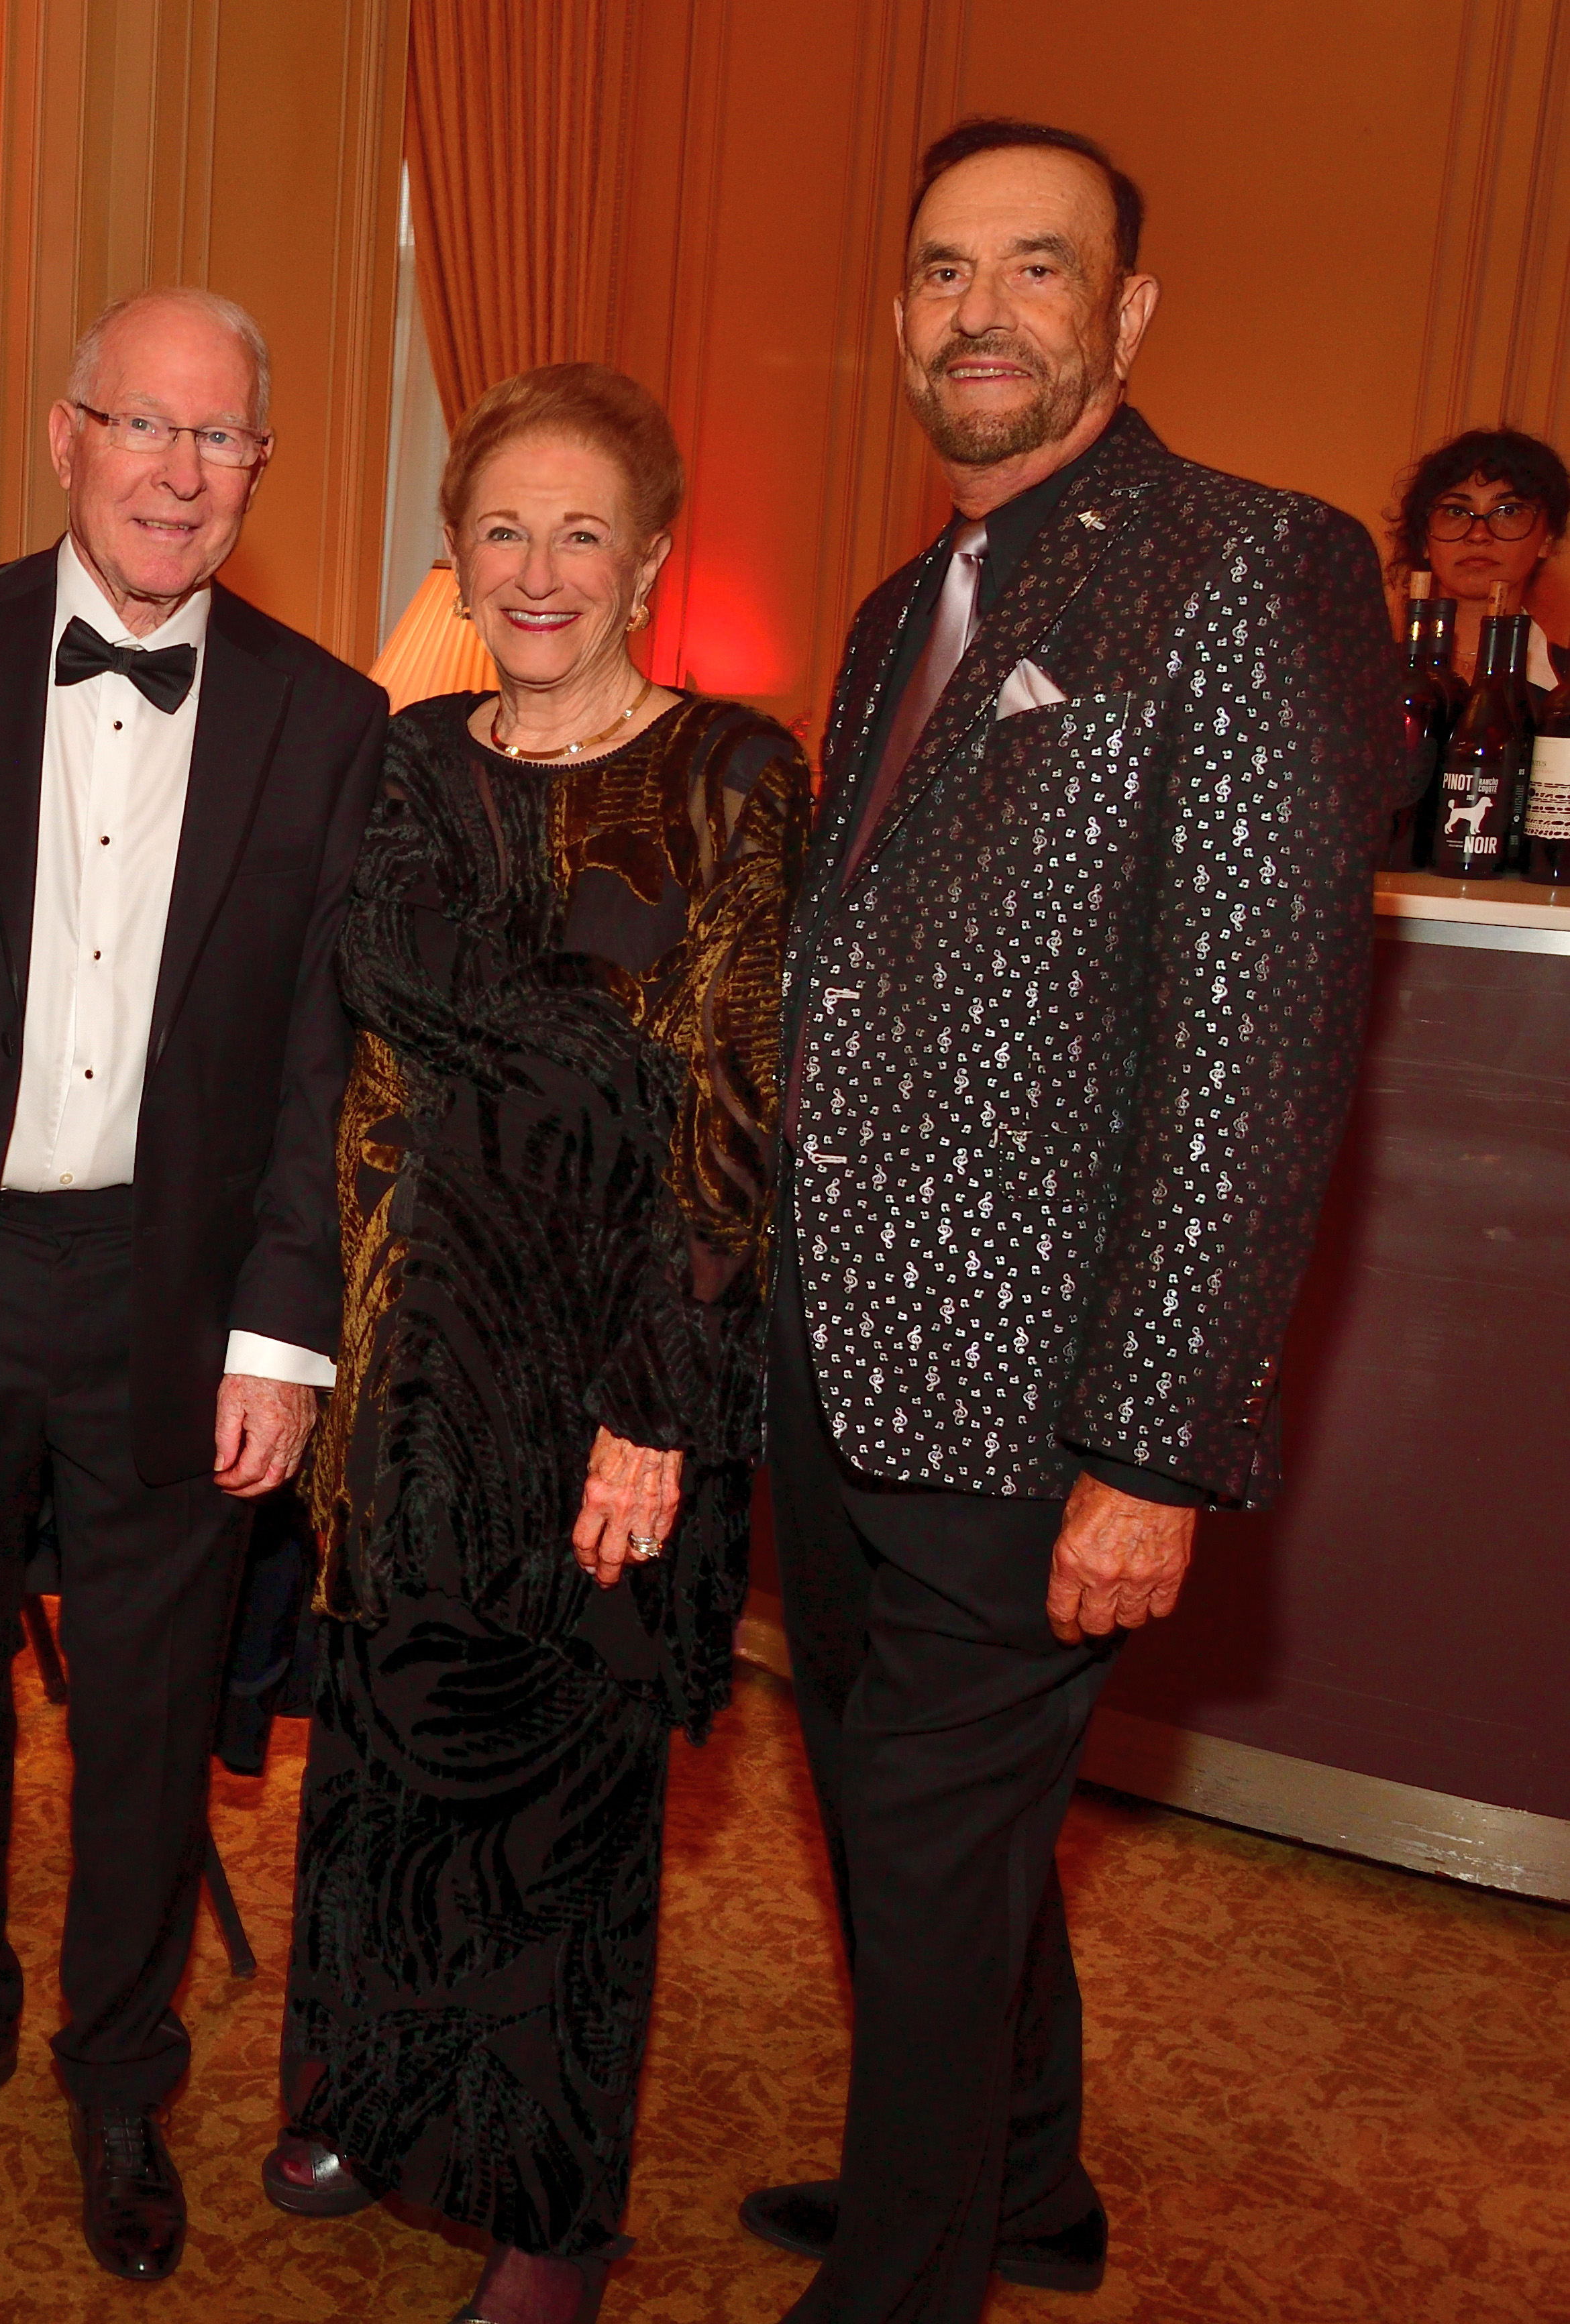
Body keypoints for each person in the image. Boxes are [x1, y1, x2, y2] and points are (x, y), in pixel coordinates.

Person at [745, 118, 1393, 2324]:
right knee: (914, 1838)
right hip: (834, 1374)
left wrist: (1147, 1442)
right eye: (940, 273)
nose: (978, 316)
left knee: (926, 1864)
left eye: (1035, 272)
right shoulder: (887, 610)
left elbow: (1255, 1051)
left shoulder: (1243, 562)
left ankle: (905, 2276)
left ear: (1121, 317)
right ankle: (1018, 2183)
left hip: (1032, 1400)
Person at [0, 285, 386, 2284]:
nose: (177, 470)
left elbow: (328, 1060)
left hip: (172, 1284)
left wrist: (285, 1328)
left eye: (219, 437)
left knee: (149, 1710)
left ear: (257, 471)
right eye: (142, 426)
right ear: (65, 437)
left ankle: (117, 2065)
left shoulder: (331, 722)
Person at [270, 363, 806, 2324]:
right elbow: (402, 1002)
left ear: (652, 553)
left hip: (612, 1368)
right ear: (454, 551)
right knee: (394, 1753)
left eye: (583, 529)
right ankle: (378, 2092)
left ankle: (546, 2213)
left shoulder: (743, 776)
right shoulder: (411, 756)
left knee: (566, 1805)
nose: (540, 566)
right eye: (504, 527)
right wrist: (615, 1010)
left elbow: (733, 1104)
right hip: (417, 1347)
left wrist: (659, 1404)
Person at [1391, 425, 1565, 688]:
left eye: (1508, 512)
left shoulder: (1563, 683)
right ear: (1424, 539)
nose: (1478, 534)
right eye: (1456, 512)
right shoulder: (1366, 675)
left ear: (1547, 539)